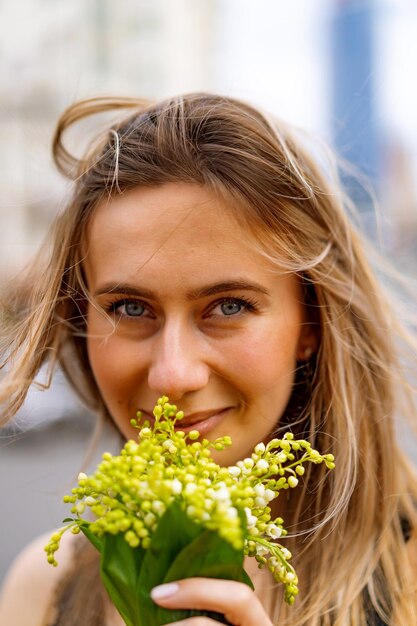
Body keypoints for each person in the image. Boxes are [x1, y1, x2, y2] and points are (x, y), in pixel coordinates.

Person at [0, 92, 416, 626]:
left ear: (311, 324)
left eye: (227, 306)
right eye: (130, 307)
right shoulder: (41, 590)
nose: (173, 375)